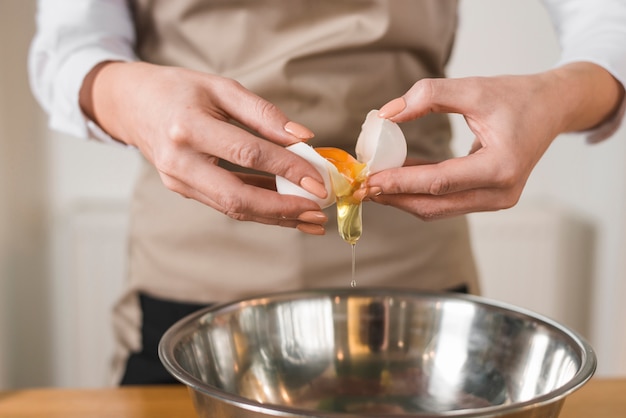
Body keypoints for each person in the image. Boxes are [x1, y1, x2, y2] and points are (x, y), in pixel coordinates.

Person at [29, 0, 626, 385]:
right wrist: (127, 98)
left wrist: (557, 95)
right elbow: (69, 46)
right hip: (192, 285)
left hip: (416, 295)